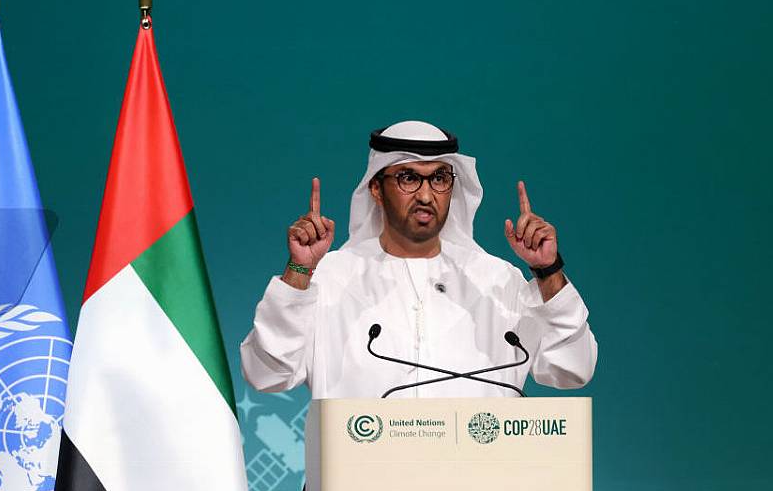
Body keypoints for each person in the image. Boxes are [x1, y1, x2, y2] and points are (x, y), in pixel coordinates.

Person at [240, 120, 597, 399]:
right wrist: (299, 271)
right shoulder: (328, 277)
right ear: (376, 189)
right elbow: (266, 374)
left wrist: (548, 272)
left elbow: (573, 368)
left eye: (440, 178)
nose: (426, 194)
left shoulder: (496, 280)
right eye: (409, 178)